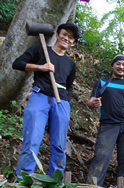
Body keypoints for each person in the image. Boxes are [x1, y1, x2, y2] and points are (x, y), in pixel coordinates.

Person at [12, 23, 80, 179]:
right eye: (64, 34)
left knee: (59, 145)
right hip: (39, 96)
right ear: (57, 35)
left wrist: (65, 100)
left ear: (73, 43)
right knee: (32, 140)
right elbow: (17, 64)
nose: (66, 38)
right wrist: (41, 67)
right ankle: (23, 181)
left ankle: (55, 183)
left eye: (70, 37)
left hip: (61, 102)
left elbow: (69, 85)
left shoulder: (70, 63)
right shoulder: (41, 50)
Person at [86, 55, 124, 188]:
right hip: (108, 125)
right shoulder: (102, 82)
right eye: (118, 64)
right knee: (102, 156)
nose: (121, 67)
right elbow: (90, 101)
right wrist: (93, 103)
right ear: (113, 66)